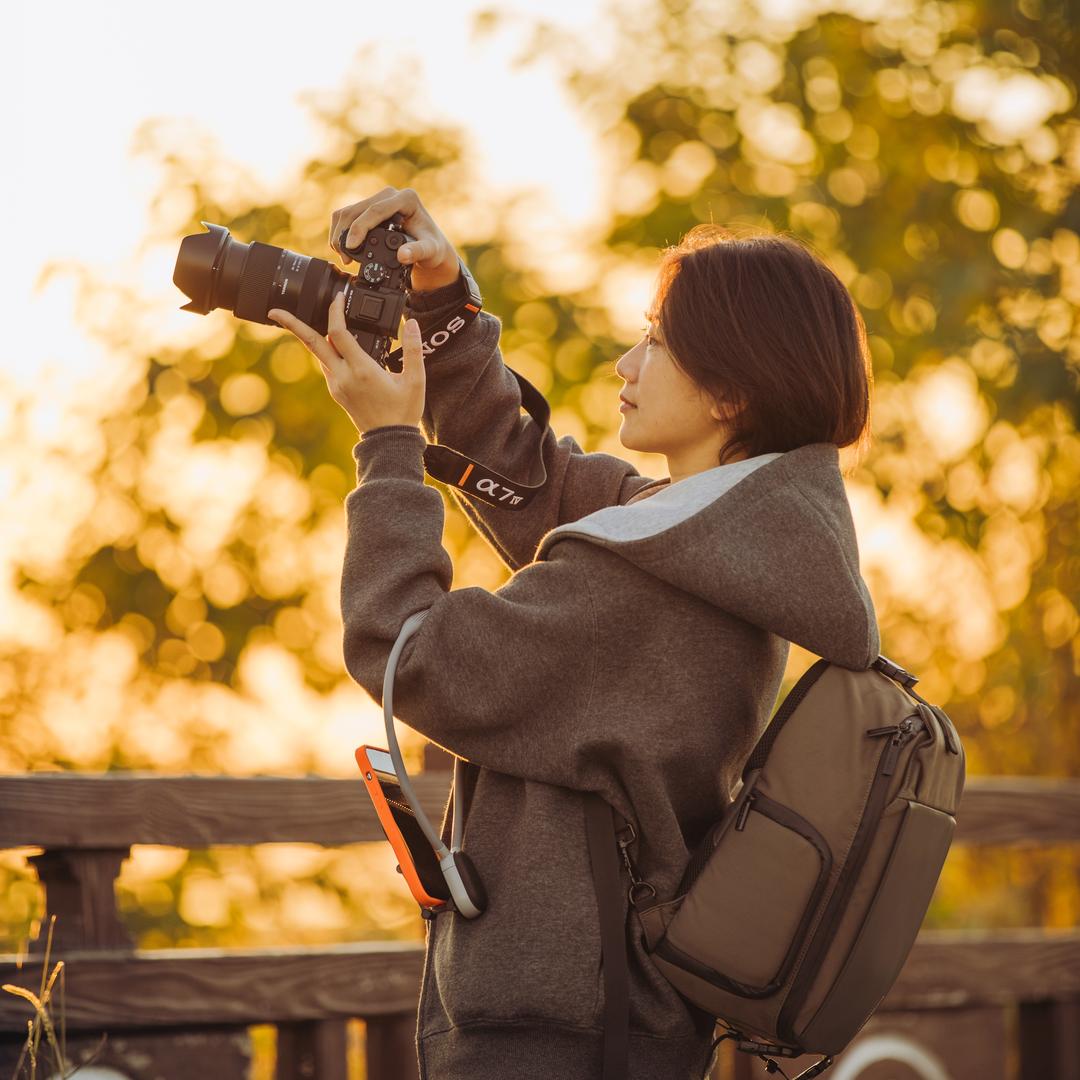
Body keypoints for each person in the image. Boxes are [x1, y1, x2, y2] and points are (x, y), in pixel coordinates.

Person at [268, 187, 880, 1080]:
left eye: (658, 342)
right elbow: (532, 479)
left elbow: (407, 651)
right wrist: (443, 302)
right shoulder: (712, 541)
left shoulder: (651, 584)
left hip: (557, 1031)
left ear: (732, 392)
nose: (625, 364)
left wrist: (389, 446)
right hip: (611, 1017)